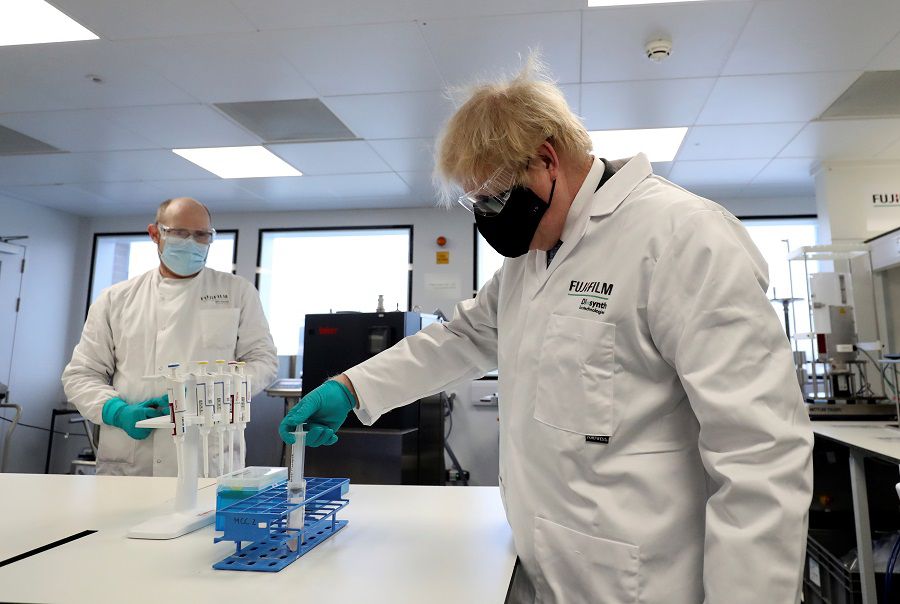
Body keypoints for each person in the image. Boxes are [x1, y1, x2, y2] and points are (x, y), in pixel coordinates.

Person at [279, 60, 813, 603]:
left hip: (644, 581)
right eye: (476, 203)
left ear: (546, 161)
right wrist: (352, 389)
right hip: (544, 568)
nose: (486, 217)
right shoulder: (531, 258)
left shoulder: (681, 236)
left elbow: (759, 451)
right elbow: (461, 337)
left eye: (492, 197)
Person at [64, 197, 277, 477]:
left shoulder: (236, 292)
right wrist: (115, 411)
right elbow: (80, 375)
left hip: (207, 456)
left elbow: (263, 363)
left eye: (202, 235)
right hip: (131, 456)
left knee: (205, 518)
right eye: (179, 233)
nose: (191, 242)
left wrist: (206, 392)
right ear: (155, 234)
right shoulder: (116, 299)